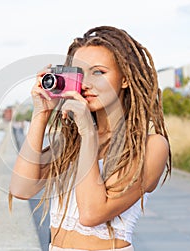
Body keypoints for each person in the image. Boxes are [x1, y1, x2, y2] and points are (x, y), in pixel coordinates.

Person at [9, 26, 171, 251]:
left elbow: (91, 212)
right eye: (79, 73)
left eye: (99, 72)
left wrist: (87, 130)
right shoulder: (71, 143)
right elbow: (21, 188)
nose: (86, 83)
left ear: (125, 79)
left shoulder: (151, 146)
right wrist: (42, 113)